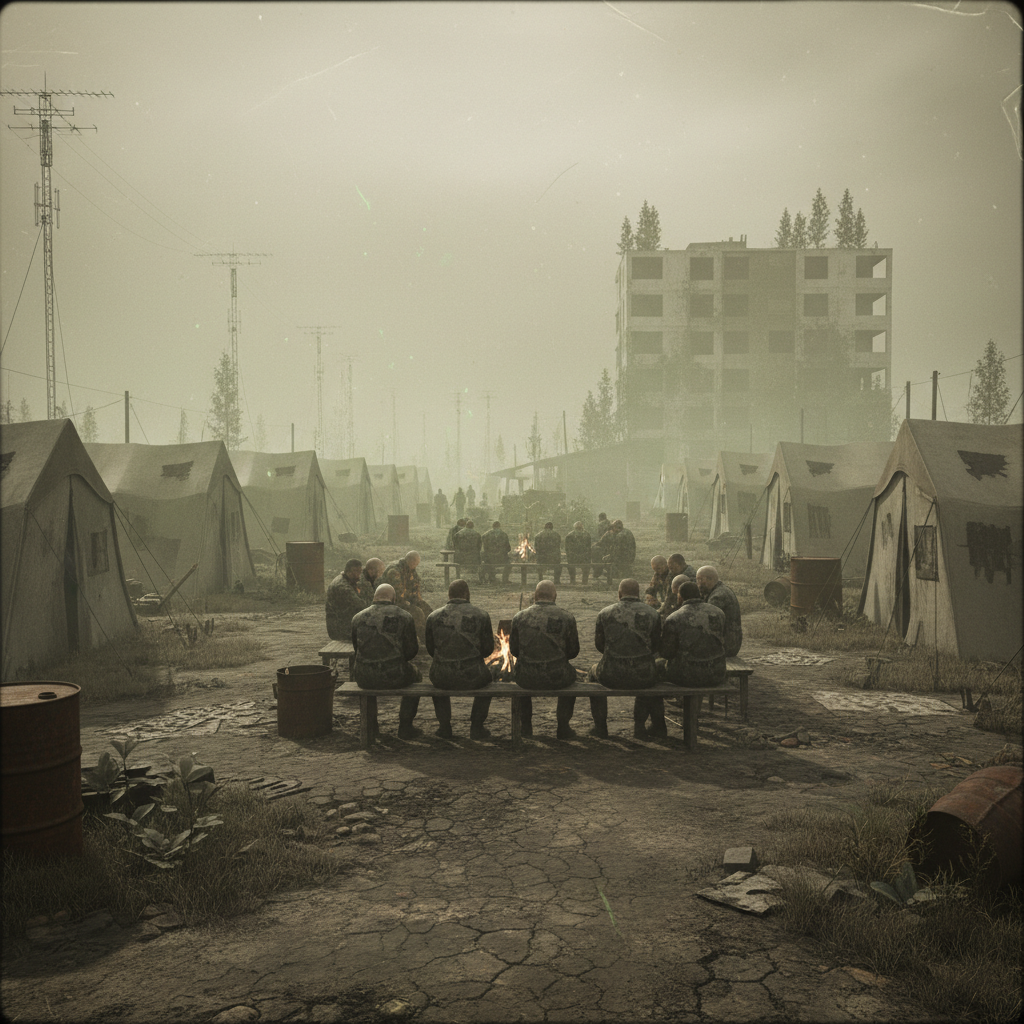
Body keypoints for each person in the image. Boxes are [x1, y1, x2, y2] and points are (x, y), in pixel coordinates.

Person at [566, 579, 663, 739]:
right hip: (643, 673)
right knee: (650, 677)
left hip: (611, 674)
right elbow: (655, 646)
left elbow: (600, 645)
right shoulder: (652, 613)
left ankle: (600, 727)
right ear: (638, 594)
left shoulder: (605, 613)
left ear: (619, 594)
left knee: (592, 673)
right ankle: (640, 726)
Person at [425, 580, 497, 740]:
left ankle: (444, 726)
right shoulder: (481, 615)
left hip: (442, 676)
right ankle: (477, 726)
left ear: (449, 595)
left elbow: (431, 650)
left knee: (438, 676)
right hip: (473, 676)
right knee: (488, 678)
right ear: (467, 594)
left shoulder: (433, 617)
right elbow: (487, 650)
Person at [509, 580, 580, 740]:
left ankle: (526, 726)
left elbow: (514, 650)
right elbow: (573, 651)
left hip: (526, 676)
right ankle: (563, 726)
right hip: (558, 676)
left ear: (535, 596)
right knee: (573, 676)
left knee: (522, 674)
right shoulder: (567, 617)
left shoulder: (519, 617)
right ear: (555, 596)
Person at [350, 584, 421, 692]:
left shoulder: (357, 618)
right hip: (395, 675)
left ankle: (369, 708)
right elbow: (411, 652)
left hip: (363, 677)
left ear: (374, 598)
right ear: (394, 598)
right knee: (417, 675)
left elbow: (357, 649)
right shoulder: (405, 616)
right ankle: (406, 709)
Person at [659, 579, 727, 688]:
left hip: (686, 676)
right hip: (717, 673)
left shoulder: (674, 618)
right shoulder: (719, 613)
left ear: (680, 596)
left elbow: (667, 653)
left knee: (655, 667)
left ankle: (657, 703)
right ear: (698, 594)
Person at [383, 551, 433, 640]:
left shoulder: (410, 570)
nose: (416, 566)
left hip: (405, 599)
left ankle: (430, 636)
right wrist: (411, 601)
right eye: (415, 564)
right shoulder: (394, 571)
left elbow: (416, 586)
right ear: (410, 561)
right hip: (392, 602)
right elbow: (398, 593)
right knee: (417, 613)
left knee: (427, 610)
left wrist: (418, 600)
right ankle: (421, 639)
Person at [696, 565, 742, 657]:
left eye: (701, 580)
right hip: (730, 641)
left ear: (711, 579)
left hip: (727, 645)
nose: (699, 583)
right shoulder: (718, 590)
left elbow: (705, 621)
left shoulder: (718, 596)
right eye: (697, 580)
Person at [325, 558, 367, 640]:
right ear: (350, 572)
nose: (360, 575)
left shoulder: (345, 579)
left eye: (360, 572)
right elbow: (361, 606)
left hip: (342, 624)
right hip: (341, 630)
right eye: (358, 572)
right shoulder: (343, 587)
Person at [481, 520, 512, 585]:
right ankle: (505, 579)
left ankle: (492, 578)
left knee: (488, 563)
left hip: (489, 559)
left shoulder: (486, 535)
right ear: (499, 526)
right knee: (509, 564)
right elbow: (508, 548)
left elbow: (484, 548)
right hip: (502, 558)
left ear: (492, 526)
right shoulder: (504, 535)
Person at [564, 521, 592, 585]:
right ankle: (584, 581)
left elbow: (567, 549)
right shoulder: (587, 535)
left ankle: (573, 580)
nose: (579, 530)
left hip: (574, 558)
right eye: (578, 528)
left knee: (571, 563)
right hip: (582, 558)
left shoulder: (569, 535)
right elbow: (588, 548)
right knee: (587, 564)